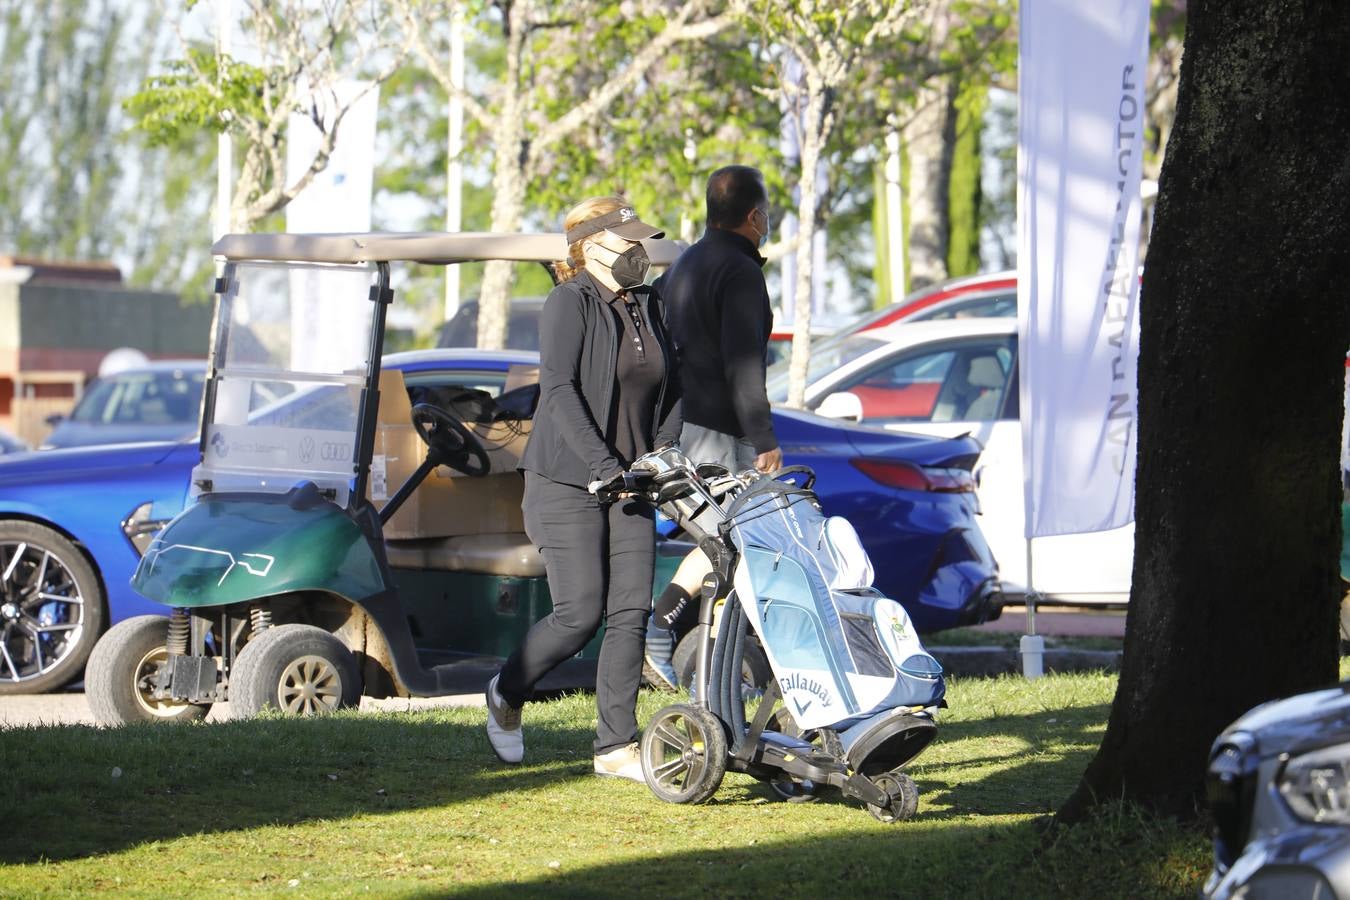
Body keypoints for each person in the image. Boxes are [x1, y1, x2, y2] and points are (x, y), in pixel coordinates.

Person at [484, 196, 682, 782]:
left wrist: (658, 457)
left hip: (634, 480)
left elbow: (675, 388)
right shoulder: (567, 303)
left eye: (642, 244)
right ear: (592, 246)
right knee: (579, 614)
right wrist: (605, 463)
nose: (639, 255)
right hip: (568, 479)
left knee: (630, 611)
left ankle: (615, 746)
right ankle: (506, 688)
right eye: (629, 244)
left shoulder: (651, 305)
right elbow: (561, 390)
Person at [643, 165, 782, 689]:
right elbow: (744, 364)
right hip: (720, 430)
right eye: (765, 213)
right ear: (754, 215)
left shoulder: (683, 265)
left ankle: (715, 661)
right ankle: (665, 628)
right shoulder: (741, 271)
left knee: (728, 542)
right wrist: (764, 439)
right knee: (734, 538)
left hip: (683, 425)